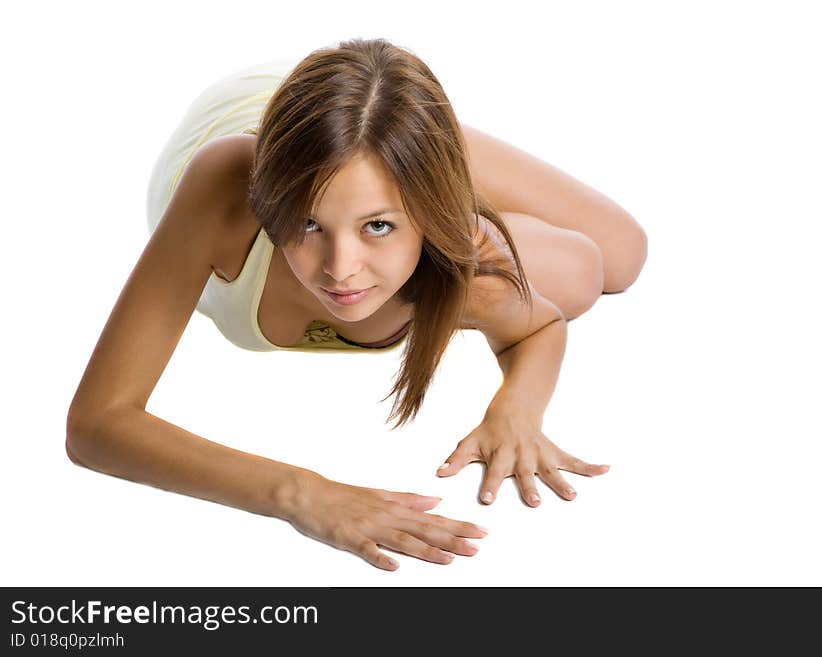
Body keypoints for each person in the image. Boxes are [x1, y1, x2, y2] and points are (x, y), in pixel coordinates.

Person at [66, 38, 648, 571]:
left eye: (376, 226)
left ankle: (412, 149)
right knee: (553, 271)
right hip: (285, 126)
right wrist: (302, 495)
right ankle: (374, 186)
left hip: (384, 145)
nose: (339, 269)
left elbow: (540, 324)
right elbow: (96, 424)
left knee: (608, 263)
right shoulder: (225, 185)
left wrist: (516, 408)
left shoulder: (458, 267)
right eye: (307, 224)